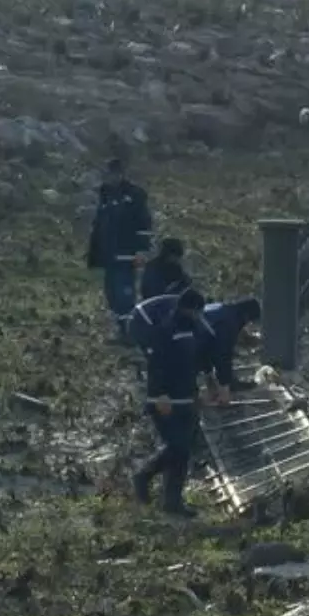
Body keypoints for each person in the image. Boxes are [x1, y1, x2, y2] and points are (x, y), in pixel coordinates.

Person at [133, 288, 207, 518]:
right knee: (178, 447)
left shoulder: (193, 330)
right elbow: (156, 365)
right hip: (165, 400)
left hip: (186, 397)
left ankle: (172, 501)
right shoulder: (166, 330)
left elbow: (196, 361)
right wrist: (159, 394)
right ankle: (143, 476)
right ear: (188, 309)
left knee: (182, 452)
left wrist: (203, 386)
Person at [86, 158, 154, 342]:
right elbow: (99, 225)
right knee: (112, 295)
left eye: (113, 174)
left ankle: (132, 333)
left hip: (127, 254)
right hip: (108, 256)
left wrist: (141, 250)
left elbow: (144, 224)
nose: (109, 178)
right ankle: (122, 331)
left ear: (121, 174)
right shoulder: (105, 195)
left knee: (125, 295)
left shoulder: (134, 196)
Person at [197, 297, 262, 407]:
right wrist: (224, 389)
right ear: (246, 317)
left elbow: (207, 346)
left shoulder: (221, 309)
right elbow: (222, 356)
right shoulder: (229, 322)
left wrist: (209, 376)